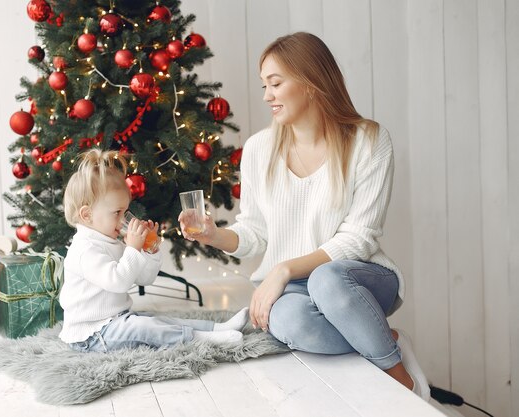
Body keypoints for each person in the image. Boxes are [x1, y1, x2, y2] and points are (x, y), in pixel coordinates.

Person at [179, 32, 430, 400]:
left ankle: (400, 377)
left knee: (326, 280)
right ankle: (376, 334)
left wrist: (282, 269)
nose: (267, 96)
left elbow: (360, 237)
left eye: (276, 83)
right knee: (287, 321)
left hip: (357, 278)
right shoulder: (259, 149)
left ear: (312, 82)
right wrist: (214, 236)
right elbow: (255, 231)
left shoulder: (369, 140)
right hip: (294, 291)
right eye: (264, 84)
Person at [59, 149, 248, 352]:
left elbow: (143, 279)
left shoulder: (109, 240)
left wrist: (149, 250)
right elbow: (119, 282)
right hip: (92, 336)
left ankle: (216, 328)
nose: (124, 219)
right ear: (87, 215)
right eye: (117, 213)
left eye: (125, 211)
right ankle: (203, 339)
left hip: (115, 320)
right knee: (145, 327)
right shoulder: (85, 249)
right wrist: (132, 248)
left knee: (156, 319)